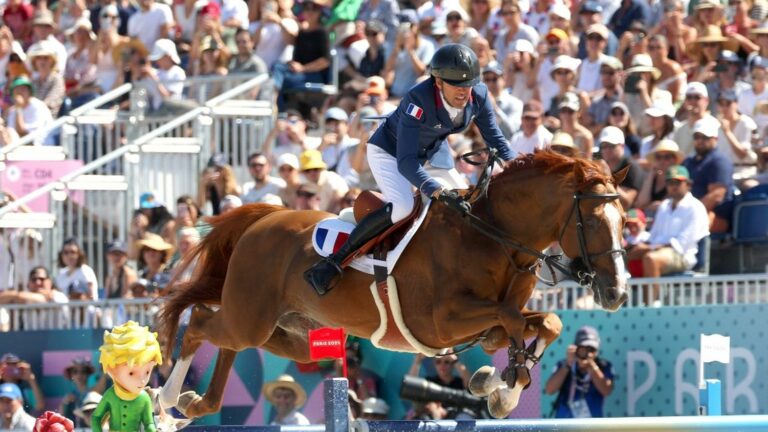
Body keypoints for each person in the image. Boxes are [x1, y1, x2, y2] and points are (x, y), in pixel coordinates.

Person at [303, 44, 515, 295]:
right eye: (455, 84)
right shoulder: (418, 100)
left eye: (468, 83)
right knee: (403, 205)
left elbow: (495, 138)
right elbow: (406, 161)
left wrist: (517, 166)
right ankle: (335, 261)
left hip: (433, 150)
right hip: (390, 152)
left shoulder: (478, 94)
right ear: (437, 82)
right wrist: (435, 190)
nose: (464, 90)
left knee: (464, 201)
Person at [626, 166, 709, 301]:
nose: (673, 186)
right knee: (626, 254)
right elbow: (653, 236)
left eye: (677, 182)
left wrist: (648, 248)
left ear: (688, 184)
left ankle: (652, 304)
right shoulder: (664, 205)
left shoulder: (696, 207)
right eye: (670, 183)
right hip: (660, 251)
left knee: (650, 258)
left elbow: (682, 244)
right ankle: (628, 301)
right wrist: (635, 247)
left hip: (683, 256)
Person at [91, 321, 161, 432]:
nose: (142, 380)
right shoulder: (111, 395)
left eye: (147, 372)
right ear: (111, 369)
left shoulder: (144, 398)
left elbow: (148, 423)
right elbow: (96, 418)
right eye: (131, 373)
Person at [545, 326, 614, 418]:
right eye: (583, 349)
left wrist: (592, 366)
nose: (588, 353)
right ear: (576, 348)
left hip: (593, 426)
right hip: (565, 426)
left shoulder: (604, 366)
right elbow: (549, 390)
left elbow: (607, 390)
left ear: (597, 351)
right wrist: (568, 364)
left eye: (592, 349)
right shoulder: (563, 364)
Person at [597, 126, 645, 208]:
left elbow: (626, 203)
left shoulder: (632, 168)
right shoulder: (599, 166)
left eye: (611, 146)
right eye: (603, 146)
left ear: (622, 146)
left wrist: (608, 179)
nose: (606, 150)